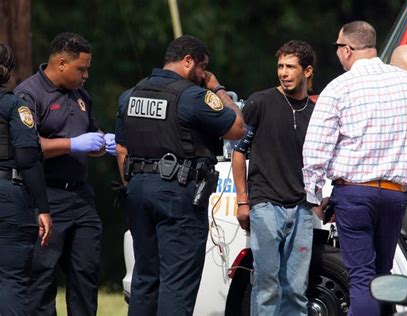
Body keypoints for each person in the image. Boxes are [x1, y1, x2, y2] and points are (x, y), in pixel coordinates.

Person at [302, 21, 407, 316]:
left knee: (361, 278)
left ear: (347, 50)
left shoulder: (339, 88)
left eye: (337, 48)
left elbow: (315, 150)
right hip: (395, 196)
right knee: (382, 278)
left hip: (354, 194)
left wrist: (314, 194)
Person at [114, 35, 244, 315]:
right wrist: (217, 87)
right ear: (188, 61)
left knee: (145, 277)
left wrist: (133, 186)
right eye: (202, 67)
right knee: (177, 281)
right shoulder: (192, 96)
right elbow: (237, 127)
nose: (203, 74)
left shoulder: (131, 95)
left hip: (137, 191)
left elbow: (121, 148)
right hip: (177, 194)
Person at [14, 33, 116, 316]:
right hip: (45, 195)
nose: (85, 76)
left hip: (80, 197)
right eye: (81, 69)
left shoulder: (81, 96)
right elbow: (26, 147)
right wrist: (73, 144)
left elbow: (90, 137)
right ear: (60, 63)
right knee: (41, 276)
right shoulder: (29, 95)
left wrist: (101, 141)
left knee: (86, 272)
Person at [232, 40, 316, 316]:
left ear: (307, 71)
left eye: (290, 66)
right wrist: (243, 201)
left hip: (302, 208)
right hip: (265, 204)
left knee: (295, 289)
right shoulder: (260, 101)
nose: (283, 72)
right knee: (267, 285)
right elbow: (238, 153)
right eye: (280, 66)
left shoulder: (316, 112)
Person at [0, 43, 52, 315]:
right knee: (11, 279)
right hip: (8, 196)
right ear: (7, 71)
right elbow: (27, 159)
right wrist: (43, 208)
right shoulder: (14, 106)